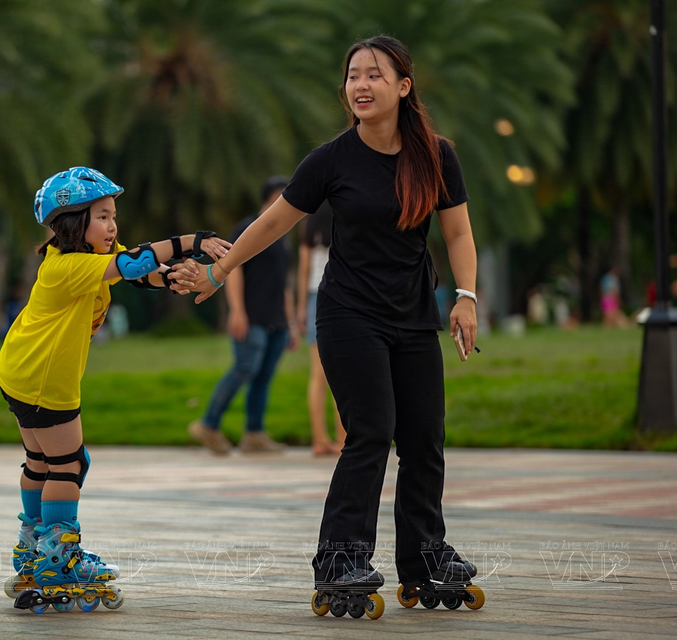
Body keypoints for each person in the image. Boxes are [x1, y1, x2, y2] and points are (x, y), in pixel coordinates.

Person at [174, 35, 481, 608]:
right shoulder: (331, 159)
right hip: (348, 313)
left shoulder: (436, 155)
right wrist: (218, 272)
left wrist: (465, 297)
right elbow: (273, 224)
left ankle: (424, 554)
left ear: (403, 86)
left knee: (424, 439)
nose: (360, 86)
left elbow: (458, 231)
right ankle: (341, 555)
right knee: (371, 432)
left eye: (374, 75)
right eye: (352, 76)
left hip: (414, 316)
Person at [0, 167, 229, 612]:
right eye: (102, 216)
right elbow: (132, 263)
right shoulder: (67, 265)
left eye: (113, 216)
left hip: (21, 371)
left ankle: (32, 548)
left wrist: (173, 278)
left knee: (41, 461)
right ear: (72, 223)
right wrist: (193, 242)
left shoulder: (84, 257)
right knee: (68, 464)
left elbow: (140, 271)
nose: (113, 226)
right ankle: (57, 557)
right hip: (45, 380)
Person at [187, 176, 299, 455]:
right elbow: (232, 267)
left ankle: (254, 434)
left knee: (263, 377)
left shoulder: (283, 236)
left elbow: (284, 282)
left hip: (277, 320)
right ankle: (208, 425)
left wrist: (291, 323)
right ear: (272, 198)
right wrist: (237, 311)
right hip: (251, 316)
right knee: (244, 368)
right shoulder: (249, 228)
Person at [296, 201, 346, 456]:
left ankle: (319, 440)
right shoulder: (346, 211)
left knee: (318, 375)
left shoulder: (310, 221)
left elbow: (303, 268)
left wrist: (301, 308)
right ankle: (343, 440)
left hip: (316, 297)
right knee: (345, 373)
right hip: (344, 296)